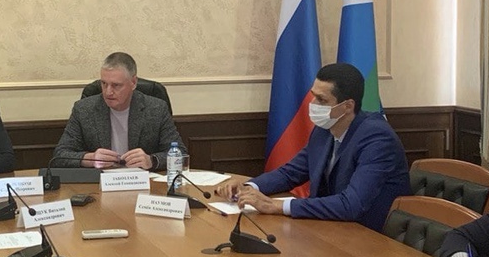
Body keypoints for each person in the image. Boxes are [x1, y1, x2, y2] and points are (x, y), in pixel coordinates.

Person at [214, 63, 410, 231]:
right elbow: (290, 173)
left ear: (347, 106)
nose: (313, 104)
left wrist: (277, 205)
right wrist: (248, 188)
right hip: (331, 229)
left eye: (322, 100)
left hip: (371, 238)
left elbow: (351, 204)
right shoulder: (324, 130)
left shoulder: (377, 139)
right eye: (314, 96)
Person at [50, 52, 182, 171]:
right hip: (100, 183)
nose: (108, 92)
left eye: (116, 85)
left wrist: (151, 160)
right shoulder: (84, 109)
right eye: (104, 84)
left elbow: (180, 153)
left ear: (133, 83)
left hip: (143, 182)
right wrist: (90, 158)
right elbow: (60, 156)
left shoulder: (156, 109)